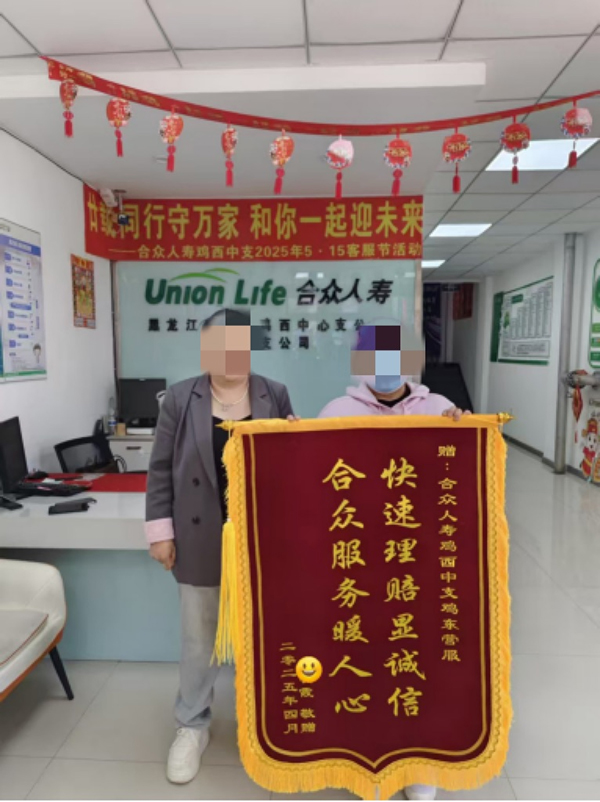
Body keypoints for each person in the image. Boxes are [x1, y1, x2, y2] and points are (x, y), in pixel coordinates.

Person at [319, 320, 470, 802]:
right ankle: (369, 751)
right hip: (361, 557)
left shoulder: (440, 408)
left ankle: (419, 762)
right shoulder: (336, 412)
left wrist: (464, 433)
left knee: (417, 653)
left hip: (418, 556)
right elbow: (313, 478)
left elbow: (460, 476)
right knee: (366, 652)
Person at [145, 308, 296, 785]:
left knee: (266, 636)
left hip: (262, 539)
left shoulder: (274, 393)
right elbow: (160, 468)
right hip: (199, 536)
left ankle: (265, 721)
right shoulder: (179, 398)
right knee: (199, 639)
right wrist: (160, 531)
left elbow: (291, 466)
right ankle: (192, 724)